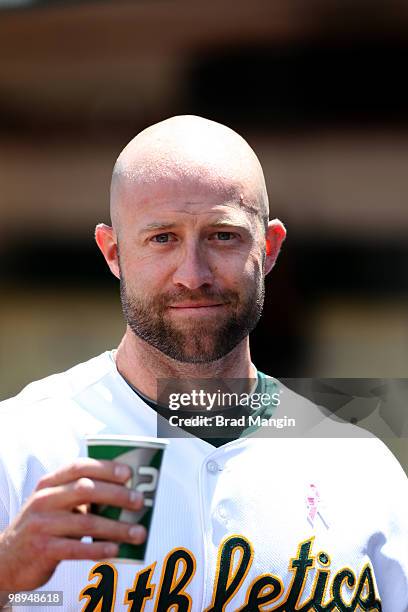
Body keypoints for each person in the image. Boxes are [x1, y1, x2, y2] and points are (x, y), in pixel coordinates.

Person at [0, 115, 406, 611]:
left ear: (270, 247)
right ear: (113, 253)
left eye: (222, 236)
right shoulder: (21, 448)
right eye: (162, 238)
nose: (192, 275)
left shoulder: (358, 468)